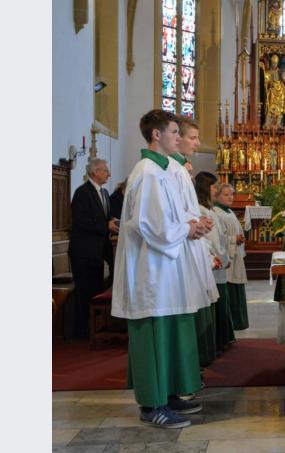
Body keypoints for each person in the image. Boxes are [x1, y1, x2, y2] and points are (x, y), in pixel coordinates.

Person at [111, 109, 206, 428]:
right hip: (151, 268)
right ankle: (152, 405)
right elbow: (151, 224)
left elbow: (174, 214)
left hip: (167, 264)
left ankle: (166, 394)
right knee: (154, 330)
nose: (179, 138)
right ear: (156, 135)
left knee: (168, 326)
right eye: (174, 132)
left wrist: (192, 223)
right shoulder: (148, 172)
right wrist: (187, 229)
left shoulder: (162, 171)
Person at [168, 117, 220, 370]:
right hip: (176, 255)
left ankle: (192, 366)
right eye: (193, 138)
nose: (198, 144)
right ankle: (186, 370)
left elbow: (181, 212)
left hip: (188, 246)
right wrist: (192, 225)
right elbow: (160, 221)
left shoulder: (179, 169)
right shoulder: (166, 171)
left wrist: (197, 221)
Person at [68, 158, 118, 338]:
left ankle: (95, 328)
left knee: (96, 288)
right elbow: (81, 221)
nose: (109, 174)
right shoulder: (82, 192)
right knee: (84, 291)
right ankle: (80, 332)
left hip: (98, 250)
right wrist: (106, 226)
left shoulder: (104, 192)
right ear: (95, 172)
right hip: (83, 251)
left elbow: (105, 216)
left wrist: (112, 221)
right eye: (105, 170)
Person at [195, 171, 228, 366]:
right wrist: (220, 256)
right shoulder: (203, 210)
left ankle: (215, 344)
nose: (216, 189)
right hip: (209, 261)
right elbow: (213, 239)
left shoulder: (209, 209)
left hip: (215, 259)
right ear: (205, 187)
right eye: (214, 186)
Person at [214, 184, 250, 332]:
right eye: (226, 195)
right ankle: (233, 322)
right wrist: (234, 239)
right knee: (230, 288)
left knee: (237, 288)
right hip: (227, 257)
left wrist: (238, 238)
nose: (230, 197)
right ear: (217, 196)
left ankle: (239, 322)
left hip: (235, 256)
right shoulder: (216, 213)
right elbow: (217, 237)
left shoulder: (229, 212)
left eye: (231, 195)